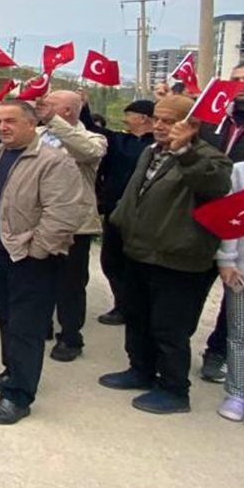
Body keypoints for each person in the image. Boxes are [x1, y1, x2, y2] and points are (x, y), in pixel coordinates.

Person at [0, 100, 89, 425]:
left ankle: (18, 396)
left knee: (27, 327)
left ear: (31, 123)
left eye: (11, 121)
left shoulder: (53, 161)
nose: (3, 127)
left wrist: (36, 250)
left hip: (31, 259)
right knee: (6, 317)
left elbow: (63, 213)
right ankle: (12, 371)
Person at [101, 94, 231, 414]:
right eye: (157, 119)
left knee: (169, 327)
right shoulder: (151, 151)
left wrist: (184, 152)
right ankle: (140, 370)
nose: (160, 126)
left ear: (193, 125)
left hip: (178, 259)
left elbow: (213, 185)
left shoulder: (209, 158)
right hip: (139, 251)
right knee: (137, 315)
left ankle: (174, 389)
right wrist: (121, 219)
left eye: (169, 121)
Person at [34, 90, 107, 362]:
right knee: (40, 277)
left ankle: (71, 336)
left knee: (70, 284)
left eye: (50, 105)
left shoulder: (92, 138)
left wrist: (52, 120)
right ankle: (43, 324)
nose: (43, 107)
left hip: (74, 225)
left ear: (66, 111)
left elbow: (85, 151)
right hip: (39, 220)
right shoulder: (39, 135)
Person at [198, 63, 244, 383]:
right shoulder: (213, 117)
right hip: (204, 211)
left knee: (236, 290)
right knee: (194, 284)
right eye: (236, 79)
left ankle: (217, 352)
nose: (242, 84)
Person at [81, 98, 155, 326]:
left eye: (129, 114)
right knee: (111, 261)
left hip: (147, 215)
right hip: (115, 210)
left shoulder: (159, 145)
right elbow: (91, 128)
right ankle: (122, 305)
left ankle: (141, 307)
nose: (125, 118)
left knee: (139, 265)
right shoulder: (119, 141)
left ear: (143, 118)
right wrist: (84, 106)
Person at [215, 158, 244, 427]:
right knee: (238, 334)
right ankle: (236, 393)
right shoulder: (243, 171)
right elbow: (231, 220)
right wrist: (226, 260)